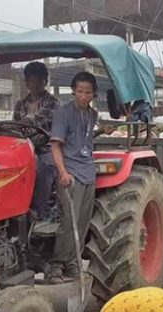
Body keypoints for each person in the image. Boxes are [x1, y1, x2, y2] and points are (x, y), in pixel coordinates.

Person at [48, 72, 99, 283]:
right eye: (80, 92)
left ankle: (72, 263)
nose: (84, 96)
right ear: (73, 91)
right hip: (70, 172)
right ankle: (57, 265)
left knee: (83, 221)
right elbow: (55, 145)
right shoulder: (63, 113)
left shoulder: (92, 114)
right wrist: (63, 173)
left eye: (88, 93)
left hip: (88, 171)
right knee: (69, 221)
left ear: (94, 94)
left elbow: (83, 138)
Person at [12, 62, 61, 220]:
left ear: (45, 81)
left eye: (39, 81)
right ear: (26, 82)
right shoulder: (20, 104)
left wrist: (22, 124)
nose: (35, 85)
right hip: (24, 147)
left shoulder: (53, 102)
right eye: (31, 81)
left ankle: (41, 212)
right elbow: (14, 125)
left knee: (42, 169)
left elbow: (38, 118)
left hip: (47, 148)